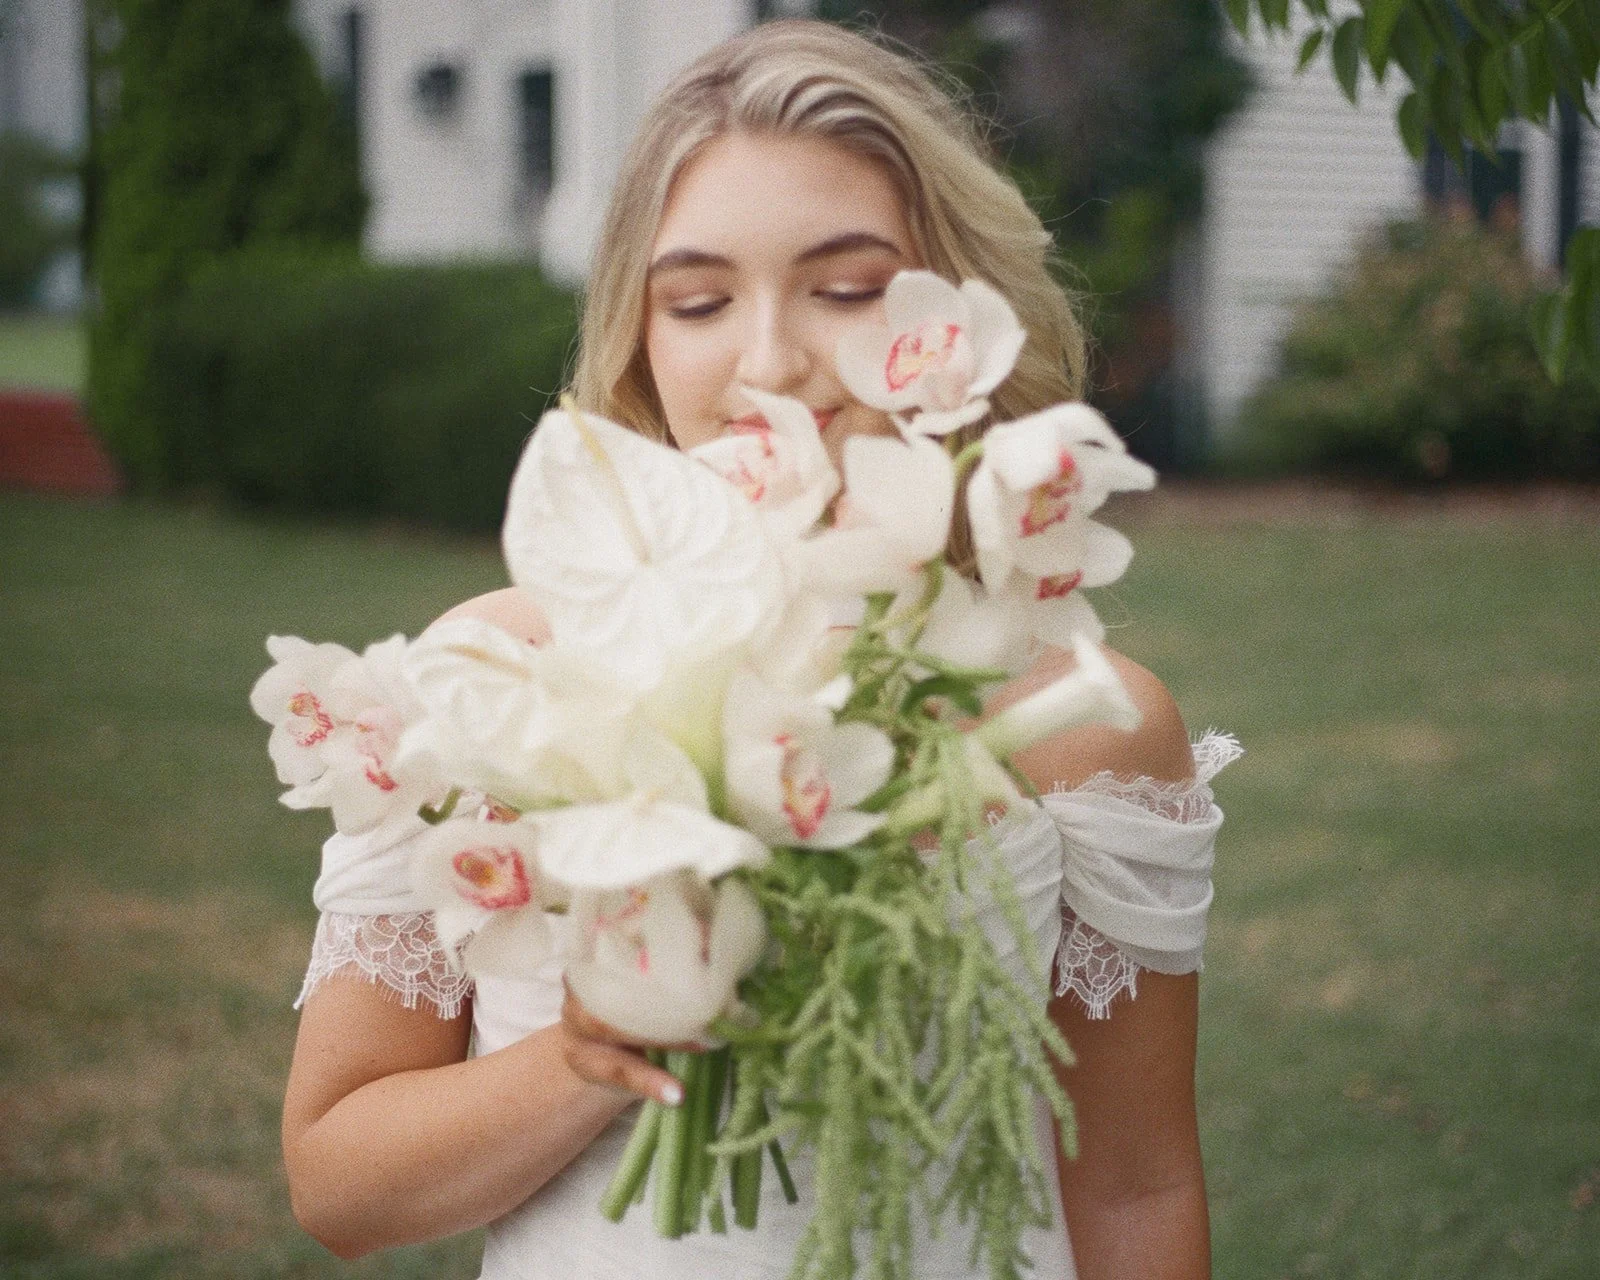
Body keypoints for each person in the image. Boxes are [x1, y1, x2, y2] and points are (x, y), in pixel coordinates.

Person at [280, 19, 1237, 1280]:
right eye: (699, 301)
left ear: (957, 319)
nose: (772, 362)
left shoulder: (1086, 734)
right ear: (638, 332)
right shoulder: (488, 685)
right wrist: (588, 1052)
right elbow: (338, 1184)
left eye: (846, 289)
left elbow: (1132, 1183)